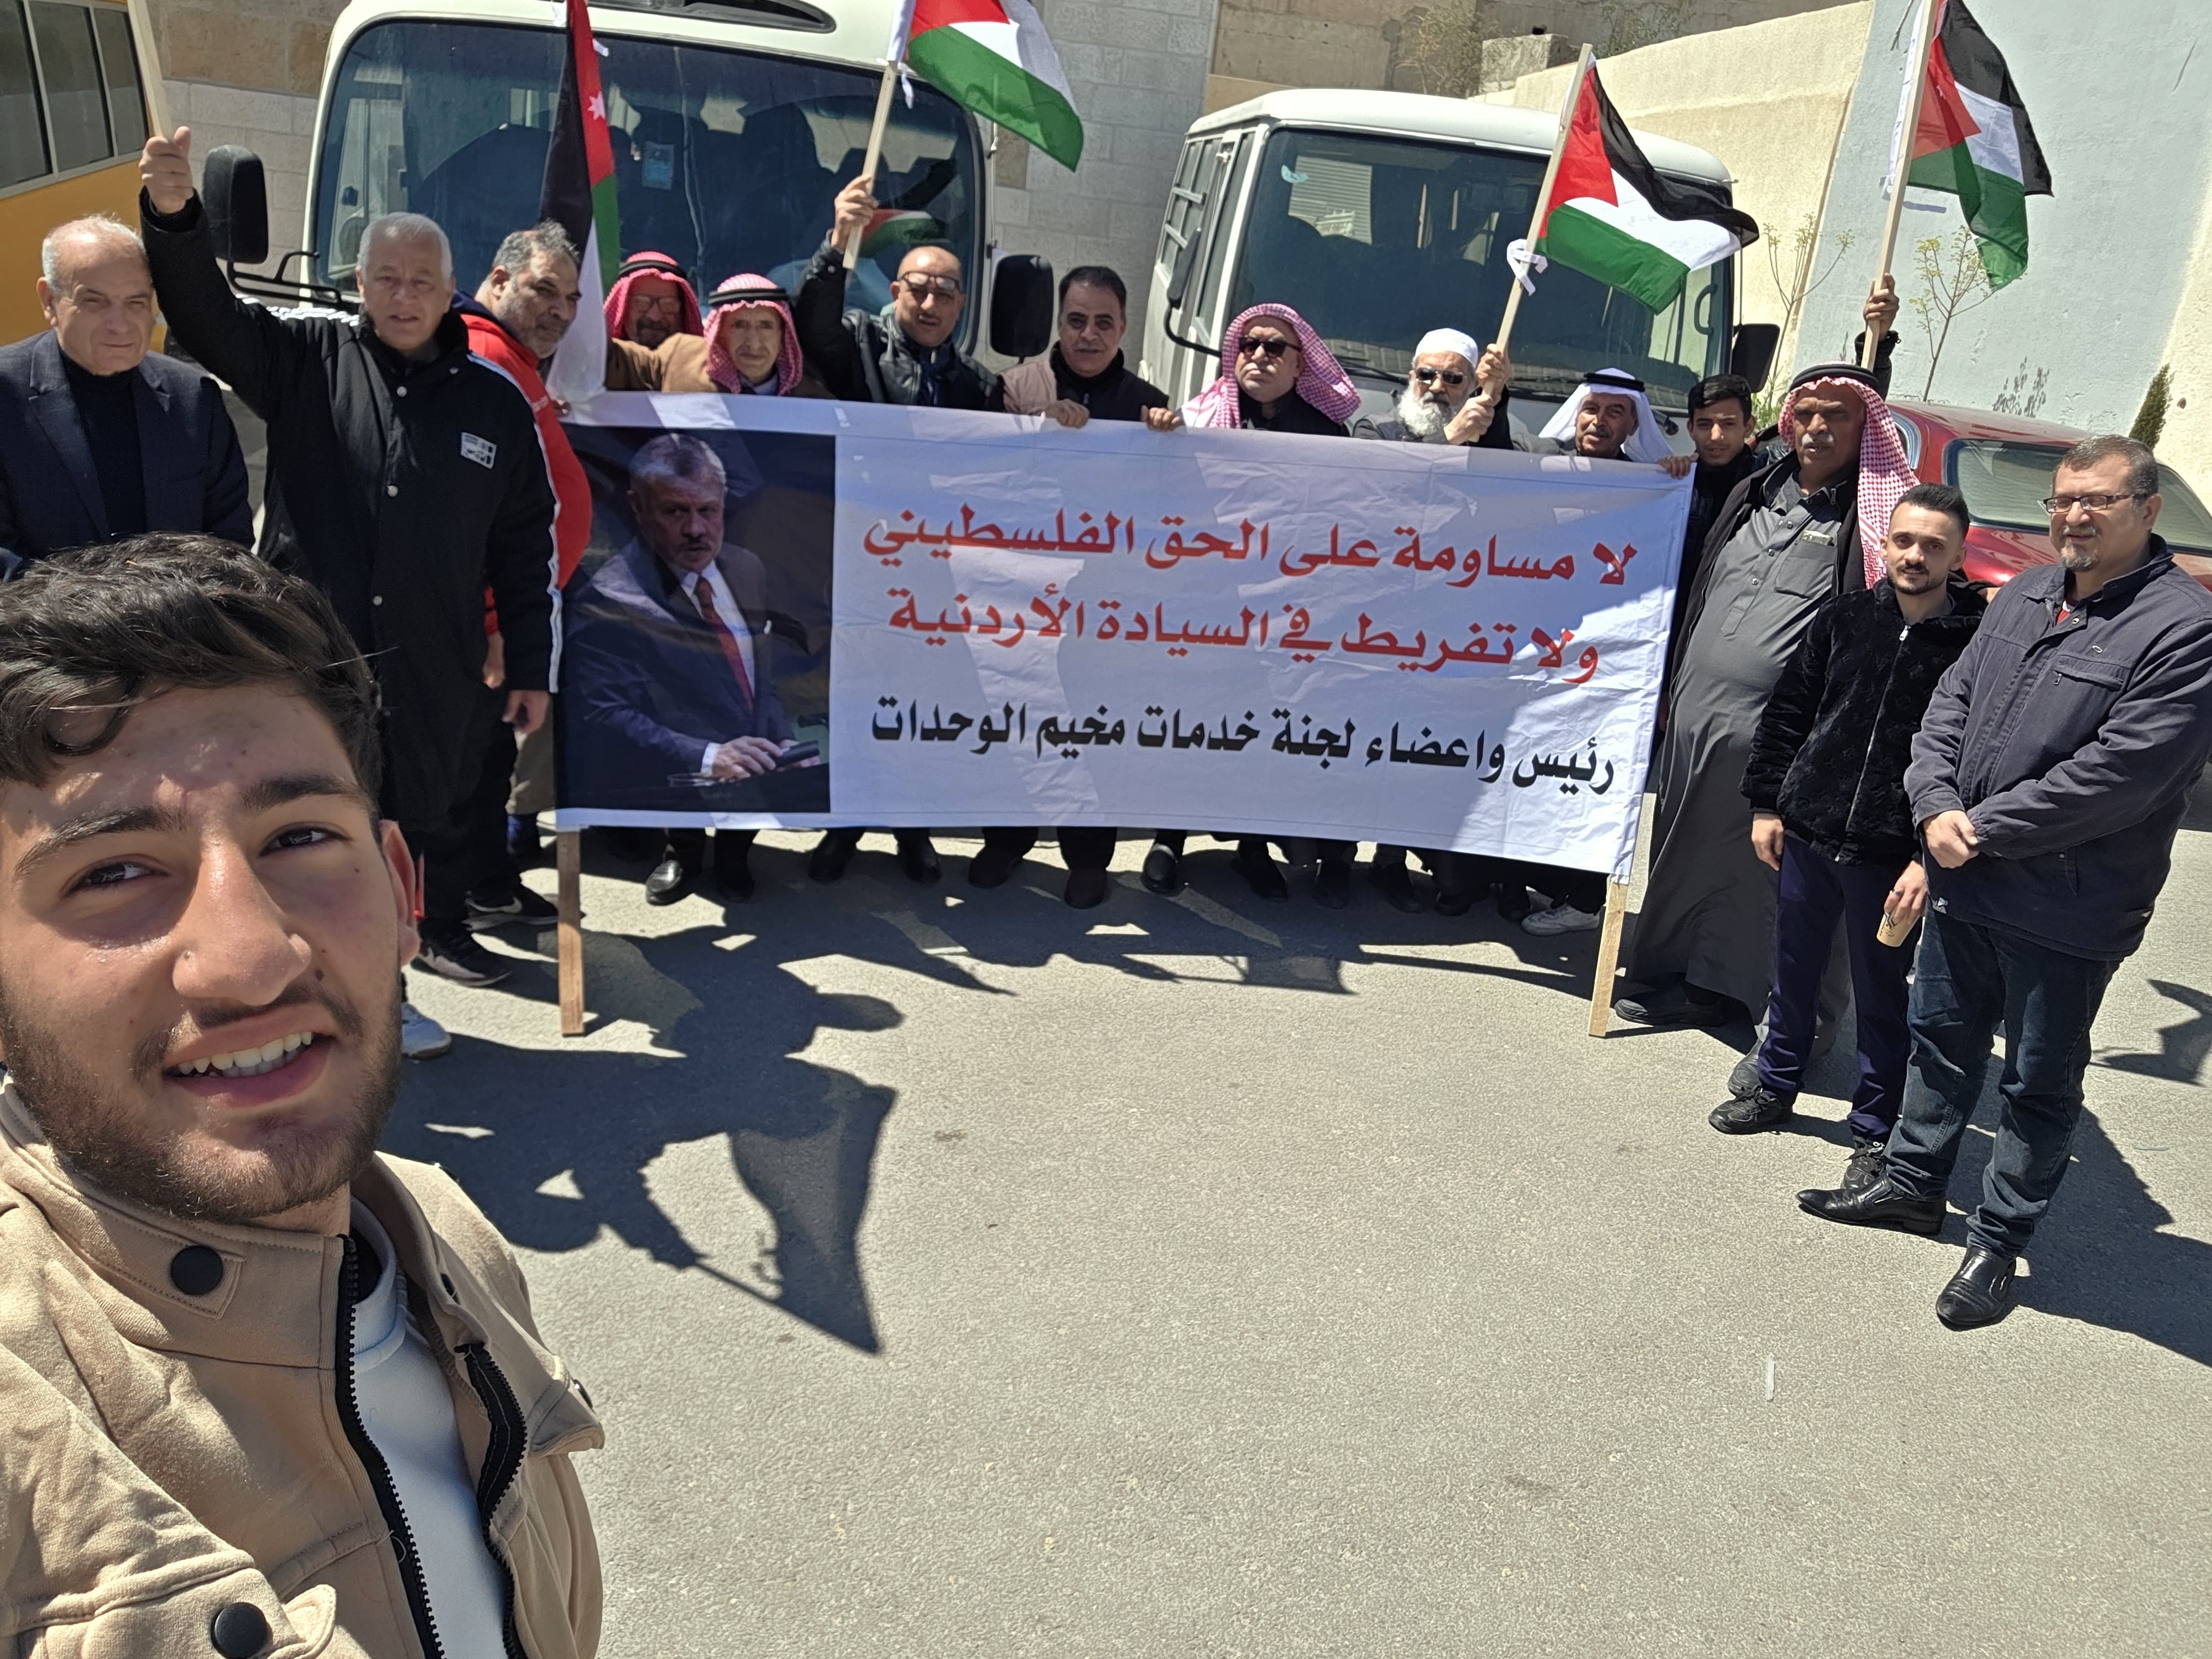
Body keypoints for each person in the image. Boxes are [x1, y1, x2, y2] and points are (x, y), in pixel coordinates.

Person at [0, 537, 602, 1654]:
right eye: (114, 872)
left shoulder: (444, 1240)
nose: (249, 960)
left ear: (403, 891)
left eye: (300, 838)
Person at [139, 127, 559, 1056]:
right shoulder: (306, 362)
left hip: (432, 673)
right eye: (387, 279)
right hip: (310, 667)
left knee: (391, 845)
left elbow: (523, 541)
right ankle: (280, 997)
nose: (404, 297)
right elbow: (205, 315)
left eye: (422, 281)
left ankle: (382, 995)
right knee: (294, 833)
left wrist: (530, 663)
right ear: (360, 284)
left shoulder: (493, 406)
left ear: (450, 290)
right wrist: (173, 219)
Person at [1802, 436, 2212, 1330]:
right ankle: (1912, 1183)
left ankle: (1997, 1240)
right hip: (1966, 880)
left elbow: (2124, 775)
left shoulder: (2185, 628)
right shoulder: (2027, 592)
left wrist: (1979, 829)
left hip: (2068, 906)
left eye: (2096, 500)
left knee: (2036, 1080)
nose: (2073, 516)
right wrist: (1934, 803)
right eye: (2062, 500)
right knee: (1941, 1040)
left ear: (2147, 511)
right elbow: (1949, 706)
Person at [1616, 361, 1915, 1031]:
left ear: (1868, 427)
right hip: (1697, 720)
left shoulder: (1870, 520)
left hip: (1785, 736)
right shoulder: (1754, 490)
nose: (1817, 427)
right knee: (1687, 856)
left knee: (1773, 875)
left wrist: (1883, 342)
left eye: (1837, 415)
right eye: (1806, 413)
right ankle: (1689, 981)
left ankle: (1781, 1022)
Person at [1719, 484, 1985, 1196]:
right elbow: (1789, 711)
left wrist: (1925, 858)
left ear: (1958, 555)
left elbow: (1976, 759)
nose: (1915, 556)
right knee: (1792, 972)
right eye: (1904, 540)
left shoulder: (1975, 643)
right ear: (1883, 544)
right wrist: (1767, 804)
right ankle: (1774, 1083)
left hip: (1890, 857)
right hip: (1808, 832)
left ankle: (1874, 1129)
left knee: (1882, 997)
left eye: (1933, 545)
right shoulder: (1842, 618)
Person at [792, 175, 1026, 885]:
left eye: (944, 294)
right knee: (854, 699)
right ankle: (843, 829)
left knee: (921, 700)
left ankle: (912, 829)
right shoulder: (857, 346)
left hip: (935, 578)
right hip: (859, 561)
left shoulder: (978, 388)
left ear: (962, 306)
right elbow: (811, 324)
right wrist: (838, 242)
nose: (929, 304)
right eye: (917, 290)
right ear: (895, 291)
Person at [1140, 303, 1360, 901]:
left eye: (1274, 347)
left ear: (1301, 365)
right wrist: (1161, 439)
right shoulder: (1197, 420)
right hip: (1207, 605)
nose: (1258, 356)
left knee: (1261, 732)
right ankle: (1168, 839)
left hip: (1285, 614)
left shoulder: (1326, 437)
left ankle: (1251, 848)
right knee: (1191, 721)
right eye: (1249, 345)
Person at [977, 264, 1169, 908]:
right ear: (1058, 323)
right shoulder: (1014, 389)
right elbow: (979, 478)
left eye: (1103, 323)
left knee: (1093, 727)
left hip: (1102, 603)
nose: (1089, 335)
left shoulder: (1148, 405)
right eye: (1076, 320)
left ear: (1124, 327)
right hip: (1017, 593)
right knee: (1013, 716)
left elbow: (1166, 509)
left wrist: (1167, 442)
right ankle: (1005, 840)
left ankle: (1088, 857)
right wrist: (1034, 428)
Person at [564, 434, 821, 902]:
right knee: (684, 824)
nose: (696, 529)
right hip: (675, 767)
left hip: (748, 758)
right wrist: (707, 756)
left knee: (745, 825)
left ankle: (735, 857)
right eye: (675, 512)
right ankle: (683, 855)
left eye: (708, 510)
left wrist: (781, 739)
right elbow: (603, 712)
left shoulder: (746, 569)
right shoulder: (611, 597)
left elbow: (759, 675)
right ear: (638, 509)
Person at [456, 220, 594, 923]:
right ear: (499, 279)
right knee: (472, 766)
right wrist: (494, 623)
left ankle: (487, 883)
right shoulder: (485, 357)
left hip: (509, 612)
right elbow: (474, 514)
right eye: (544, 290)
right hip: (491, 622)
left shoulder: (510, 361)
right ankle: (457, 903)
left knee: (488, 764)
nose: (561, 312)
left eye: (570, 299)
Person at [1351, 326, 1510, 914]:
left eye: (1453, 378)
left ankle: (1392, 860)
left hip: (1448, 632)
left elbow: (1511, 495)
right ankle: (1339, 861)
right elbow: (1377, 501)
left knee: (1415, 756)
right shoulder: (1375, 432)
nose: (1437, 387)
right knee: (1358, 744)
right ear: (1410, 378)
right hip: (1373, 627)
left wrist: (1496, 403)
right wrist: (1448, 441)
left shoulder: (1486, 440)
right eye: (1427, 375)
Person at [0, 215, 249, 570]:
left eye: (136, 303)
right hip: (44, 608)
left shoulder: (192, 397)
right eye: (94, 302)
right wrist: (91, 604)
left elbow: (229, 537)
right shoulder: (6, 394)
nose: (120, 325)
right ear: (50, 300)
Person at [603, 249, 702, 349]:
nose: (655, 317)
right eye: (641, 303)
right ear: (622, 309)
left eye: (668, 305)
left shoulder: (700, 358)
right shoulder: (599, 358)